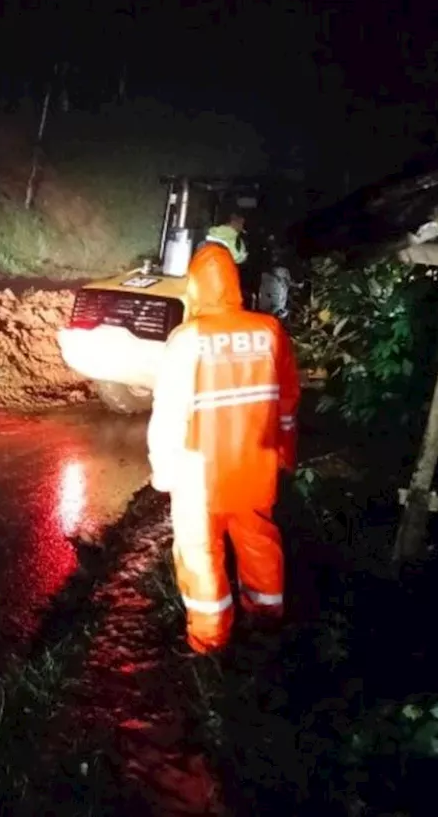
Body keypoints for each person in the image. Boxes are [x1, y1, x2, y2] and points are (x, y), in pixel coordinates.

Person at [146, 243, 301, 655]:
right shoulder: (269, 331)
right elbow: (287, 403)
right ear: (234, 284)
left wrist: (163, 471)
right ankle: (266, 624)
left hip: (201, 477)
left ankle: (210, 641)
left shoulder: (188, 338)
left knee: (200, 553)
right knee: (258, 542)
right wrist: (286, 452)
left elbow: (169, 414)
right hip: (256, 466)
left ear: (195, 288)